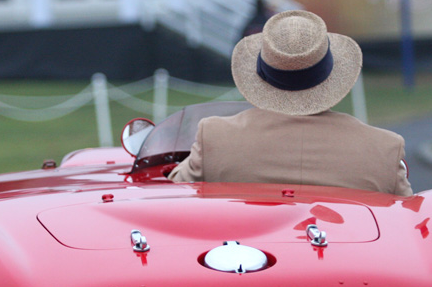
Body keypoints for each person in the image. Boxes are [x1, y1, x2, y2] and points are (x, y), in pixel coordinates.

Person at [169, 10, 412, 196]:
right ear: (332, 74)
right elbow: (409, 226)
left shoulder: (214, 138)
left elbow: (171, 197)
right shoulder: (384, 150)